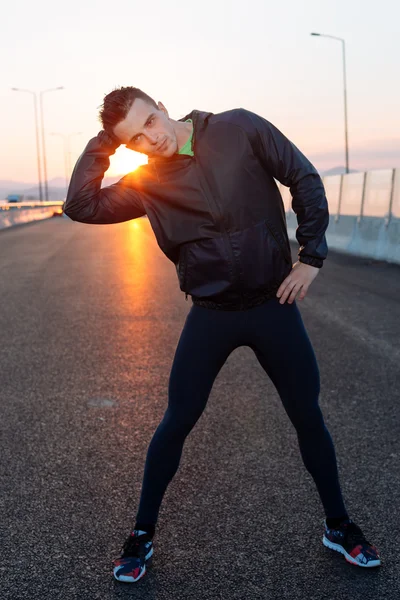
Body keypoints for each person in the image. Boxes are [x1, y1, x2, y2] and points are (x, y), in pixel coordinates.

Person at [63, 86, 381, 582]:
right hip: (211, 313)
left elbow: (304, 176)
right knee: (177, 420)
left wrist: (311, 258)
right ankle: (141, 535)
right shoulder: (147, 184)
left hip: (272, 305)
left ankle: (338, 526)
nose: (153, 139)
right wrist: (104, 142)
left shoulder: (238, 127)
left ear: (162, 107)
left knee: (307, 415)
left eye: (150, 121)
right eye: (136, 139)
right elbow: (80, 205)